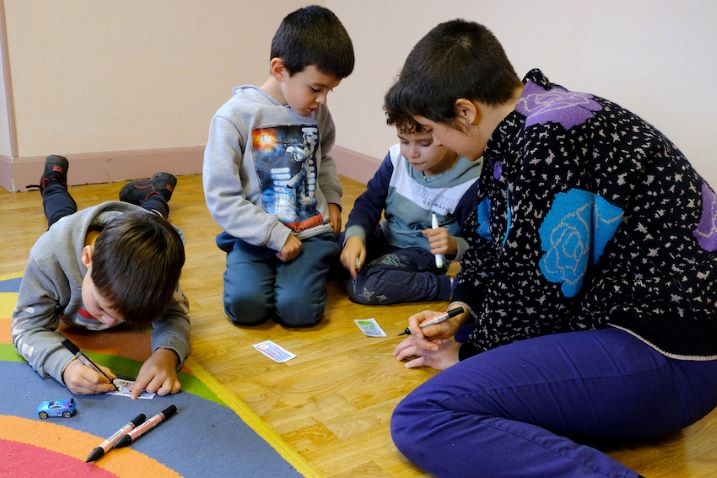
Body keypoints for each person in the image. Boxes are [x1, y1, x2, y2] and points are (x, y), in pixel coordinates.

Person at [386, 19, 717, 478]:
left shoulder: (550, 137)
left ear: (465, 111)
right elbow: (490, 246)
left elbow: (538, 287)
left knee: (426, 416)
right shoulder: (528, 122)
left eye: (431, 129)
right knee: (470, 340)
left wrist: (464, 359)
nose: (434, 143)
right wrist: (459, 312)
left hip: (669, 352)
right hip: (637, 333)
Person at [203, 5, 354, 327]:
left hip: (309, 233)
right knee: (246, 308)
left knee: (298, 311)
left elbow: (323, 157)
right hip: (254, 236)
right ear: (279, 69)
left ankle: (318, 263)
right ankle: (254, 266)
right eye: (316, 88)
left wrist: (333, 198)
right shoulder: (233, 117)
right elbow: (221, 197)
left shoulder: (317, 113)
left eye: (330, 90)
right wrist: (274, 235)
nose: (323, 100)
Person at [13, 155, 190, 399]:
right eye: (102, 307)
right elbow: (25, 329)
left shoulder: (160, 266)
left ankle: (155, 193)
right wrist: (63, 366)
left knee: (154, 218)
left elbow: (175, 313)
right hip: (67, 229)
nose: (107, 324)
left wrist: (167, 354)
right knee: (60, 212)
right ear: (88, 258)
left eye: (121, 317)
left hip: (139, 218)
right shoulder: (48, 259)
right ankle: (53, 181)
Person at [338, 108, 480, 304]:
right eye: (404, 141)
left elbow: (481, 243)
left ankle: (451, 286)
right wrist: (355, 237)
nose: (411, 153)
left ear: (447, 135)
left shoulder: (471, 182)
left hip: (423, 254)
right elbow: (368, 203)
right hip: (385, 238)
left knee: (363, 286)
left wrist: (453, 245)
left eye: (424, 143)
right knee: (329, 249)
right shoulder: (396, 157)